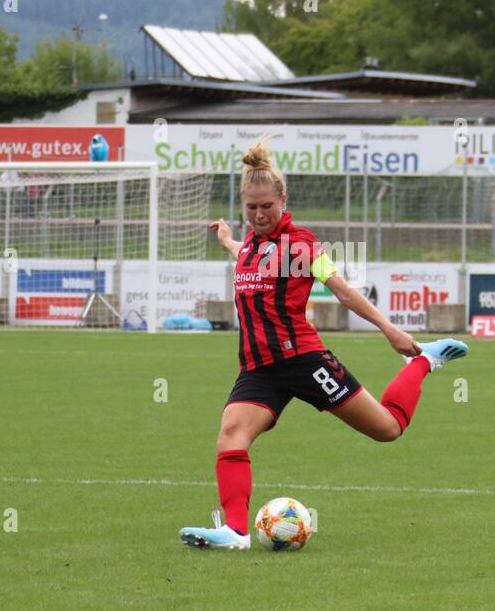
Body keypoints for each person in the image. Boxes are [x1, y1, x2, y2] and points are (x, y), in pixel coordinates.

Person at [179, 143, 469, 549]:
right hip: (259, 368)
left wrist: (390, 330)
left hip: (303, 360)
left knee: (387, 429)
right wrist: (228, 238)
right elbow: (243, 253)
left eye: (266, 206)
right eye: (250, 207)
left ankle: (425, 360)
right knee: (230, 436)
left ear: (283, 200)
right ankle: (236, 532)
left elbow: (344, 292)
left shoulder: (302, 246)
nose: (259, 215)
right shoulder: (248, 245)